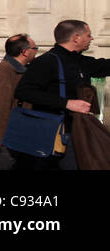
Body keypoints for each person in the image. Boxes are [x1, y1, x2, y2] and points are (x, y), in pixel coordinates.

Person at [13, 19, 110, 170]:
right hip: (52, 133)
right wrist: (67, 103)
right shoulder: (46, 62)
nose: (91, 39)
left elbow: (105, 66)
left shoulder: (80, 61)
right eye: (89, 35)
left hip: (77, 131)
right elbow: (24, 91)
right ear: (76, 38)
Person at [0, 33, 37, 170]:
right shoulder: (4, 71)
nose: (37, 51)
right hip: (7, 140)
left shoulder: (20, 70)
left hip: (19, 134)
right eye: (35, 48)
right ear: (25, 52)